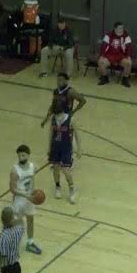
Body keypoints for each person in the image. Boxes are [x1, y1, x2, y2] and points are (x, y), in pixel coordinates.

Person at [45, 72, 86, 203]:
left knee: (65, 169)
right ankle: (57, 187)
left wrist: (79, 149)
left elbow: (78, 136)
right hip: (55, 146)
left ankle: (72, 189)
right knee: (55, 168)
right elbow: (50, 133)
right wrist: (48, 147)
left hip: (66, 146)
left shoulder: (70, 119)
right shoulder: (54, 117)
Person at [9, 145, 43, 254]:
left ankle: (30, 242)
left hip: (30, 198)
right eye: (19, 156)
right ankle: (12, 244)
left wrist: (33, 193)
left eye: (23, 155)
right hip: (19, 200)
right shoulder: (15, 170)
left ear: (28, 155)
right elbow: (13, 189)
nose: (21, 158)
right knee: (16, 223)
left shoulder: (33, 166)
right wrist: (25, 195)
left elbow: (32, 179)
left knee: (30, 220)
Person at [97, 21, 133, 87]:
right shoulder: (108, 35)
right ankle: (105, 78)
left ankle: (125, 79)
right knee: (100, 62)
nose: (121, 30)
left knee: (129, 63)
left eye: (122, 28)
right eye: (119, 28)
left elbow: (129, 47)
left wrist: (129, 57)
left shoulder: (126, 35)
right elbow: (103, 46)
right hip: (110, 55)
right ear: (115, 29)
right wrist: (102, 56)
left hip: (121, 55)